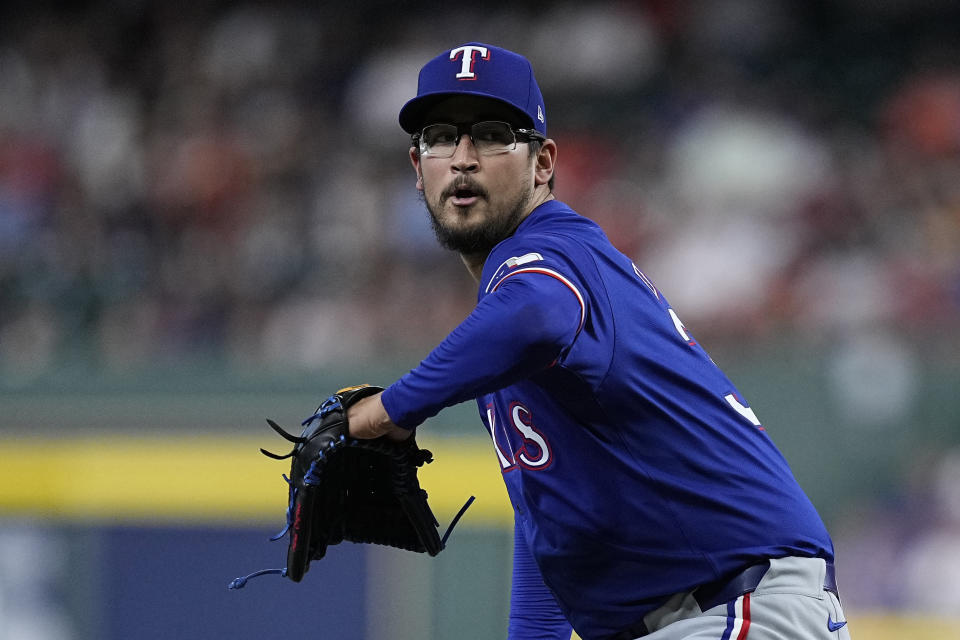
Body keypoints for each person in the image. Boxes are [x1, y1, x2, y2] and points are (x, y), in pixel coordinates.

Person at [346, 42, 851, 640]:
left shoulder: (556, 252)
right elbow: (552, 527)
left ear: (542, 163)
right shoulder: (502, 346)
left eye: (489, 134)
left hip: (734, 608)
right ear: (416, 166)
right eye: (439, 138)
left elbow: (537, 312)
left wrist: (388, 409)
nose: (462, 159)